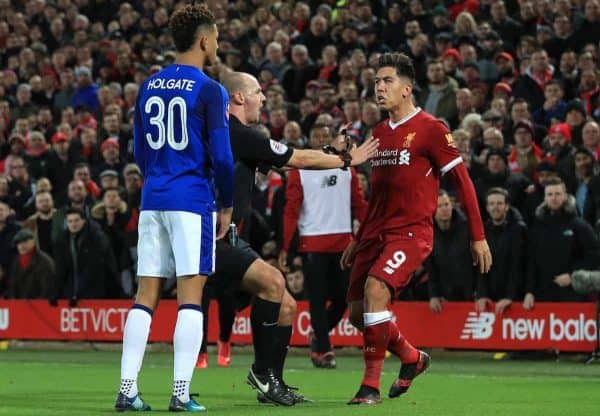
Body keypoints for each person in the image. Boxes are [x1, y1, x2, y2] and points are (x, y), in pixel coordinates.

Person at [211, 71, 377, 406]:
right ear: (240, 98)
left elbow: (287, 164)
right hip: (212, 238)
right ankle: (261, 372)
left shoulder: (234, 137)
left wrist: (330, 152)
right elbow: (297, 159)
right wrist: (347, 160)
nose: (263, 98)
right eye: (258, 91)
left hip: (229, 236)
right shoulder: (239, 134)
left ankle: (272, 380)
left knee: (285, 304)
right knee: (273, 283)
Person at [340, 52, 491, 405]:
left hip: (410, 233)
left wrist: (478, 236)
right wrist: (359, 238)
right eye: (376, 82)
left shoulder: (431, 129)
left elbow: (463, 183)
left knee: (377, 291)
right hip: (374, 233)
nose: (379, 87)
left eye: (387, 81)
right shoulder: (376, 134)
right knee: (359, 315)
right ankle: (412, 357)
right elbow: (377, 195)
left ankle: (369, 387)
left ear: (407, 89)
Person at [115, 4, 234, 413]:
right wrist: (227, 204)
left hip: (154, 199)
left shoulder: (149, 85)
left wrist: (159, 179)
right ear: (203, 40)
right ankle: (180, 394)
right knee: (190, 297)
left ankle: (127, 389)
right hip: (191, 200)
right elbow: (222, 158)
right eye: (216, 38)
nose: (217, 45)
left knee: (144, 295)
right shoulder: (210, 90)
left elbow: (139, 151)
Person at [280, 123, 368, 368]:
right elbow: (291, 210)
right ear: (309, 140)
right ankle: (324, 350)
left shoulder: (346, 166)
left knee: (343, 299)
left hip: (342, 243)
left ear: (331, 139)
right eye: (316, 136)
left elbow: (359, 204)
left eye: (324, 136)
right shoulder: (300, 169)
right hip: (312, 243)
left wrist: (372, 228)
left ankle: (319, 335)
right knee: (317, 301)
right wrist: (285, 246)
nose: (320, 140)